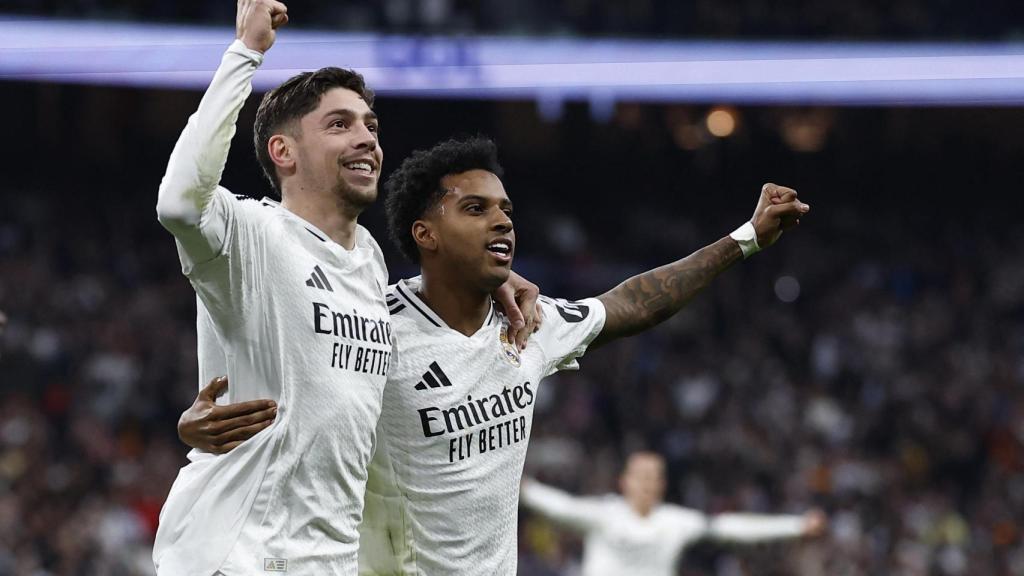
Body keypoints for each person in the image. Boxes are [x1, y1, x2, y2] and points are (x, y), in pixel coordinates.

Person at [181, 136, 809, 574]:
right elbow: (289, 403)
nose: (502, 222)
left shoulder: (526, 324)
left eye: (506, 210)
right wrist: (195, 429)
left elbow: (634, 303)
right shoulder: (373, 329)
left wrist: (746, 238)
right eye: (475, 209)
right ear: (425, 235)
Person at [152, 3, 537, 574]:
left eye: (370, 126)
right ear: (283, 152)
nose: (367, 140)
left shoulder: (368, 262)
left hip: (327, 560)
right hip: (240, 553)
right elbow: (180, 201)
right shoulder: (251, 235)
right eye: (340, 125)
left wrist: (487, 281)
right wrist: (245, 53)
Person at [521, 451, 827, 576]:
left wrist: (796, 525)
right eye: (640, 476)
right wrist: (515, 484)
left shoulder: (675, 522)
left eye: (653, 477)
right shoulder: (602, 514)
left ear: (662, 484)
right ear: (624, 482)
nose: (646, 483)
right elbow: (553, 504)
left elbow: (730, 527)